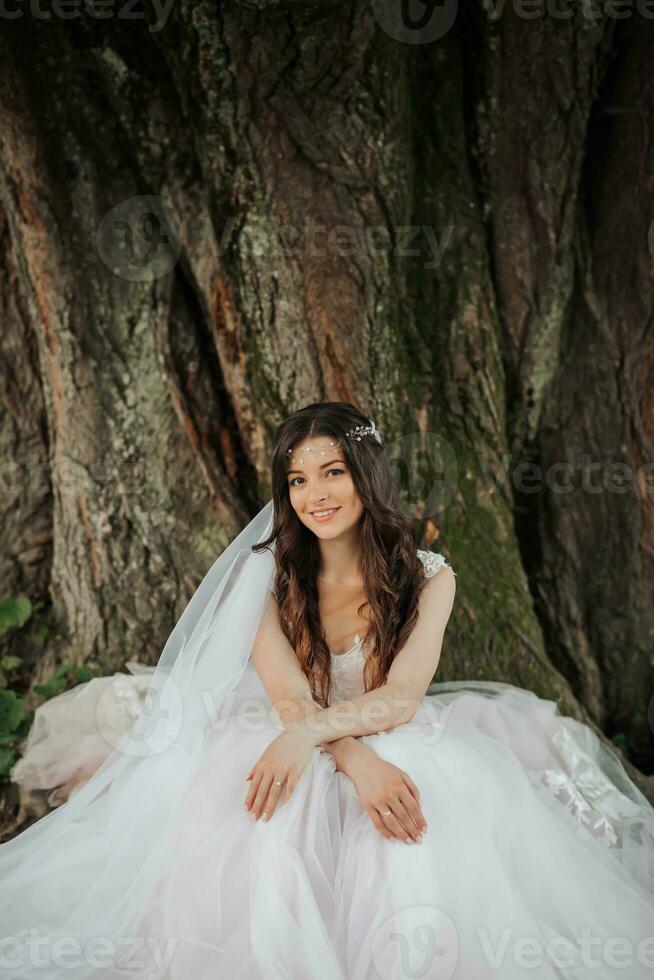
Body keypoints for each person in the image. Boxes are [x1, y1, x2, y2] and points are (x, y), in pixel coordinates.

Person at [2, 401, 654, 980]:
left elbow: (400, 697)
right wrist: (348, 755)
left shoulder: (429, 578)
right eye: (298, 479)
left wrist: (346, 749)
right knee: (261, 818)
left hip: (391, 728)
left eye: (333, 471)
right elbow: (289, 700)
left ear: (366, 475)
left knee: (414, 826)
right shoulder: (263, 578)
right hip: (281, 724)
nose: (315, 493)